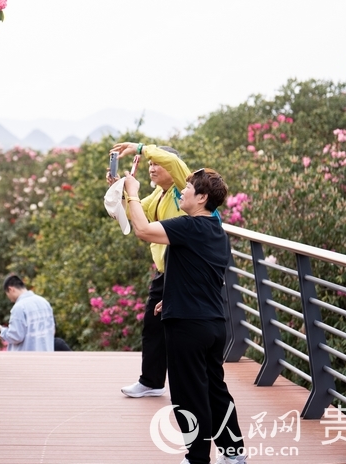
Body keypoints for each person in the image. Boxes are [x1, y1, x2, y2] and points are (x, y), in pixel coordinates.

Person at [124, 167, 246, 464]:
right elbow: (200, 273)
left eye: (188, 188)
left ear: (202, 198)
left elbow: (142, 230)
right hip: (213, 324)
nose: (182, 192)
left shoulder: (189, 226)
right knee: (215, 390)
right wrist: (170, 298)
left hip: (188, 328)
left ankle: (197, 457)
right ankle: (233, 454)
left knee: (188, 395)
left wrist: (131, 193)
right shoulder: (218, 232)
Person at [108, 142, 190, 398]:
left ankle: (188, 386)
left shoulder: (181, 188)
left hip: (183, 271)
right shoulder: (159, 194)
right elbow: (137, 214)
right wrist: (120, 190)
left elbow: (176, 164)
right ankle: (152, 381)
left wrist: (140, 148)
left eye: (157, 164)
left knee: (181, 331)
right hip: (165, 270)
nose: (152, 169)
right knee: (153, 327)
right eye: (151, 165)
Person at [0, 275, 56, 351]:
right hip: (46, 357)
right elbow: (52, 331)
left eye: (7, 294)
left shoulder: (19, 307)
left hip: (27, 360)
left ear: (11, 289)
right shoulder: (44, 302)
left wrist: (0, 330)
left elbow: (15, 336)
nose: (10, 299)